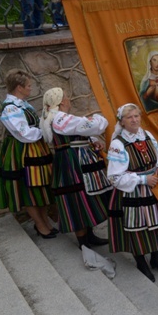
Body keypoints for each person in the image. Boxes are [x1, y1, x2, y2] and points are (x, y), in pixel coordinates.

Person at [107, 103, 158, 282]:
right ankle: (141, 262)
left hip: (154, 188)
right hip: (134, 192)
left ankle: (157, 259)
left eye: (136, 116)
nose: (134, 120)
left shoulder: (146, 135)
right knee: (138, 229)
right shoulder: (118, 144)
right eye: (129, 117)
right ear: (122, 122)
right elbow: (114, 177)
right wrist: (142, 180)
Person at [40, 88, 109, 248]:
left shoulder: (54, 118)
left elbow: (75, 133)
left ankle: (89, 237)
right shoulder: (61, 118)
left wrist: (90, 140)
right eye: (66, 97)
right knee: (77, 199)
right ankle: (84, 243)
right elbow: (97, 126)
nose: (69, 99)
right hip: (72, 162)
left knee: (83, 197)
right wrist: (97, 118)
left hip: (67, 160)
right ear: (62, 101)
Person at [0, 69, 55, 237]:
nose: (31, 88)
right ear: (19, 88)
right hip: (21, 151)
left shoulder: (23, 104)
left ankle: (44, 221)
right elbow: (24, 134)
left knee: (41, 186)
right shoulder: (10, 109)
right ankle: (40, 224)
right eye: (28, 86)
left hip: (36, 149)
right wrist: (45, 130)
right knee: (28, 187)